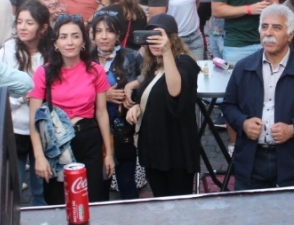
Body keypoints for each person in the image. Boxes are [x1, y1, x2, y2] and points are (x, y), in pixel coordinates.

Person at [221, 4, 294, 189]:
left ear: (290, 35)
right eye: (264, 27)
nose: (268, 33)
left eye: (277, 27)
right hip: (251, 160)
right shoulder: (244, 67)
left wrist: (293, 129)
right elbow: (228, 106)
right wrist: (243, 123)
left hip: (293, 161)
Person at [28, 14, 115, 204]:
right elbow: (34, 119)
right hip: (57, 144)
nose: (69, 42)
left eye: (75, 36)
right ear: (55, 43)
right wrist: (39, 157)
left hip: (89, 140)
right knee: (59, 203)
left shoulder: (95, 70)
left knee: (93, 200)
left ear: (83, 42)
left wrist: (109, 153)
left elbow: (101, 113)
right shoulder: (44, 73)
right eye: (63, 36)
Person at [124, 13, 200, 197]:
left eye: (160, 36)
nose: (155, 42)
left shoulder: (185, 62)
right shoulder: (153, 65)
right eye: (151, 37)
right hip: (154, 151)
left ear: (172, 38)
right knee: (160, 202)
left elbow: (175, 92)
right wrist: (137, 106)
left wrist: (166, 52)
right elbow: (152, 94)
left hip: (176, 152)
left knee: (179, 206)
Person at [0, 0, 51, 205]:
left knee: (41, 187)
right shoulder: (7, 51)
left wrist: (41, 97)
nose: (22, 27)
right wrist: (20, 97)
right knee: (13, 186)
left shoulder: (51, 53)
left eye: (29, 23)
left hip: (42, 127)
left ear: (42, 27)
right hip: (15, 127)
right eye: (19, 22)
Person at [90, 12, 143, 200]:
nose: (104, 37)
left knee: (127, 183)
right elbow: (74, 93)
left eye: (109, 31)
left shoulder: (132, 56)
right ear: (92, 35)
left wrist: (133, 88)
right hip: (94, 130)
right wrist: (102, 96)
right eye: (98, 31)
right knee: (99, 186)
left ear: (118, 34)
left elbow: (149, 78)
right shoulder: (84, 60)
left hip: (123, 129)